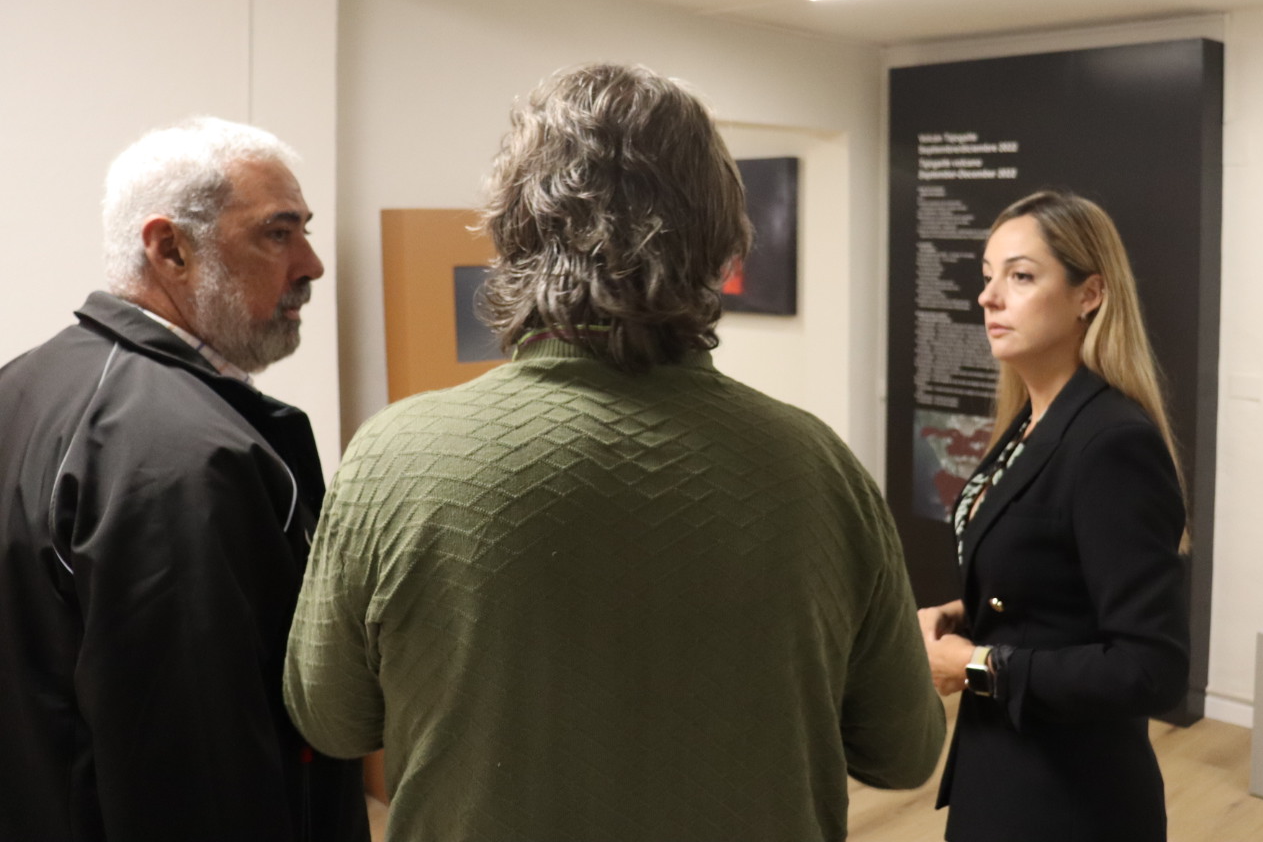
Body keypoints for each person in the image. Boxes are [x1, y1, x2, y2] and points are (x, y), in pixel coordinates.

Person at [283, 62, 944, 842]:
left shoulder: (397, 455)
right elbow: (904, 753)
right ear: (723, 244)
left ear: (513, 232)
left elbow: (330, 717)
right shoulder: (819, 468)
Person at [0, 119, 368, 842]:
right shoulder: (182, 455)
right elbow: (200, 765)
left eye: (306, 231)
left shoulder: (23, 386)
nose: (313, 265)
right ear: (170, 249)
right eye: (278, 233)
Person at [918, 190, 1190, 841]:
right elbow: (1051, 579)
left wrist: (978, 663)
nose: (988, 297)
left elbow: (1150, 669)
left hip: (1070, 799)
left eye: (1020, 275)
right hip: (1005, 767)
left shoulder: (1112, 441)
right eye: (987, 276)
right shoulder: (1029, 423)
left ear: (1088, 294)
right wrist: (968, 612)